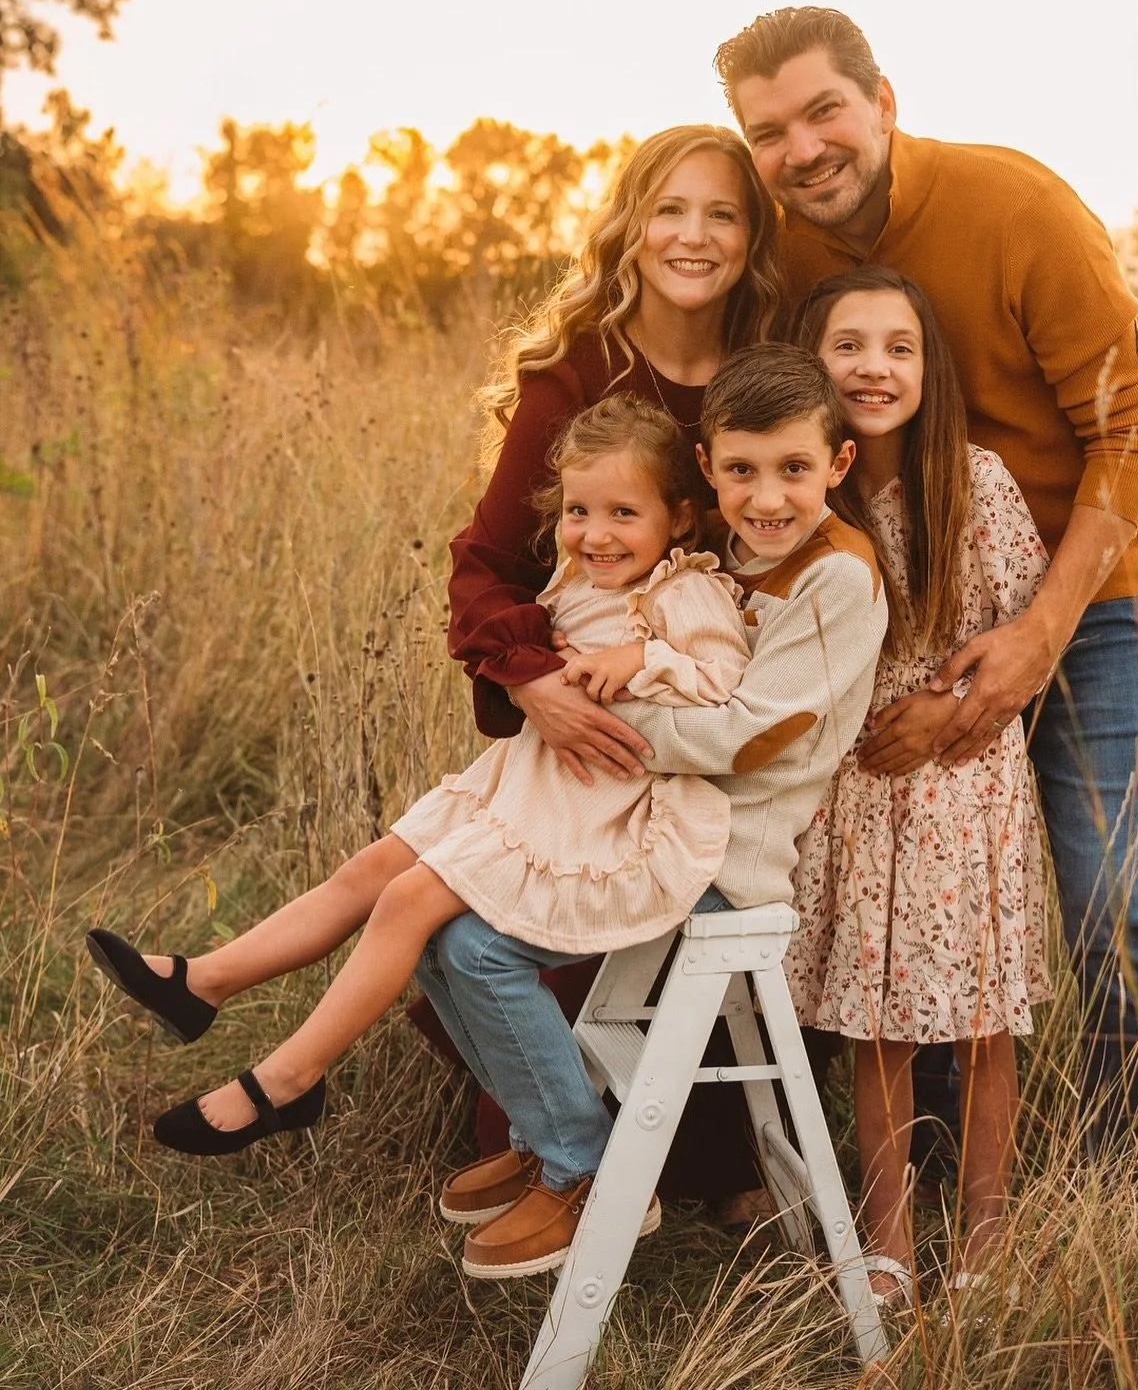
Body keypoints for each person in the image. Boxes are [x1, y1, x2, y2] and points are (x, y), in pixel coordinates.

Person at [714, 6, 1138, 1152]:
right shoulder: (782, 257)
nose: (803, 149)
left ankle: (1137, 1172)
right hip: (888, 621)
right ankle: (910, 1158)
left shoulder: (1018, 209)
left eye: (824, 111)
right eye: (769, 132)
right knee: (876, 886)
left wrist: (1037, 638)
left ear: (883, 102)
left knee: (1107, 898)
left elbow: (1135, 429)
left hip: (1084, 601)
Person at [85, 395, 750, 1163]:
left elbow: (725, 679)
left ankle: (292, 1077)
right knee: (372, 869)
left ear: (681, 519)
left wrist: (636, 659)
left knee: (407, 901)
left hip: (596, 807)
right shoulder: (576, 579)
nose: (595, 534)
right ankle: (201, 982)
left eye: (623, 513)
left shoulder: (686, 590)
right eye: (578, 511)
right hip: (525, 787)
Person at [412, 342, 888, 1278]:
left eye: (794, 470)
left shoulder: (835, 577)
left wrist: (600, 716)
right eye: (743, 471)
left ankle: (585, 1167)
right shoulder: (733, 559)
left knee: (479, 947)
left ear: (837, 465)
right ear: (708, 473)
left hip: (725, 852)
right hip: (656, 824)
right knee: (434, 930)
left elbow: (753, 735)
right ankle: (553, 1137)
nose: (768, 497)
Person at [442, 122, 785, 1215]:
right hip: (584, 717)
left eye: (722, 213)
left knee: (696, 914)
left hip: (717, 703)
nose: (693, 235)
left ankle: (701, 1168)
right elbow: (485, 566)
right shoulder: (574, 377)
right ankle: (566, 1158)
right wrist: (533, 678)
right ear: (630, 226)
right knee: (495, 922)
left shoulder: (768, 374)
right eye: (670, 209)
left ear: (753, 237)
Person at [785, 266, 1051, 1301]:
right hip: (858, 787)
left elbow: (1021, 636)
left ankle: (986, 1235)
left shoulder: (971, 481)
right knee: (877, 1021)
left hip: (967, 778)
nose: (874, 366)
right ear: (812, 362)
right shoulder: (809, 492)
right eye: (848, 344)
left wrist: (950, 712)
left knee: (985, 1021)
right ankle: (885, 1239)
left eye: (900, 347)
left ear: (930, 368)